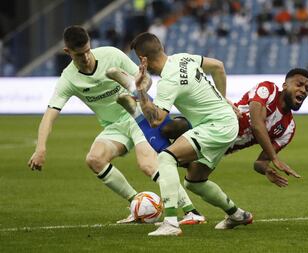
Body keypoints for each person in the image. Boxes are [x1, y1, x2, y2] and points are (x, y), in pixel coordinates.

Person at [27, 25, 204, 225]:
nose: (85, 58)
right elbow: (50, 115)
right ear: (67, 52)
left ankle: (192, 212)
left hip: (137, 113)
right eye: (79, 55)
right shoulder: (69, 79)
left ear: (90, 44)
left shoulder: (111, 55)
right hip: (115, 126)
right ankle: (139, 205)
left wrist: (138, 86)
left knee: (148, 163)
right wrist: (40, 148)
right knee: (94, 159)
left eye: (87, 51)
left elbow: (145, 79)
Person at [130, 32, 256, 236]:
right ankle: (237, 215)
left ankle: (170, 223)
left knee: (166, 157)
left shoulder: (168, 81)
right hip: (225, 123)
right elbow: (218, 66)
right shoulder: (183, 57)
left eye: (138, 59)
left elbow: (155, 120)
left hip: (216, 126)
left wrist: (141, 90)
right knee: (195, 181)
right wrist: (222, 100)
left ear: (143, 59)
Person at [108, 67, 308, 188]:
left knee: (181, 166)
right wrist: (275, 157)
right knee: (169, 129)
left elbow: (259, 163)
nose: (304, 90)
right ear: (285, 85)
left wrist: (266, 169)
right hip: (214, 121)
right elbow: (257, 125)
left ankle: (136, 107)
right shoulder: (269, 89)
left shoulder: (288, 128)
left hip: (219, 148)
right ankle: (136, 89)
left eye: (307, 88)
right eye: (299, 84)